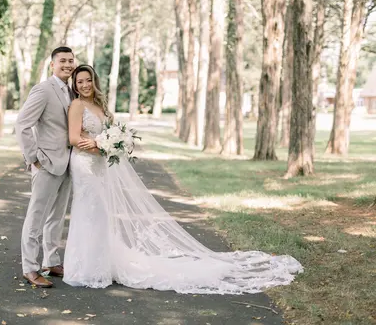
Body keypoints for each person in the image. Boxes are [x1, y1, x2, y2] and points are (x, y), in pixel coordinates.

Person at [62, 64, 303, 294]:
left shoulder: (100, 106)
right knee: (89, 210)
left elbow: (105, 136)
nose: (84, 85)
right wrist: (101, 145)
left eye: (88, 80)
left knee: (101, 213)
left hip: (100, 163)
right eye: (79, 82)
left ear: (95, 81)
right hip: (84, 165)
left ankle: (100, 264)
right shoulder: (77, 105)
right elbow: (74, 139)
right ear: (75, 85)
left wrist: (107, 145)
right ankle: (85, 268)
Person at [15, 46, 76, 288]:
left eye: (71, 60)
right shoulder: (43, 90)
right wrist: (33, 158)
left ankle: (51, 261)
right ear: (53, 65)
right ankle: (29, 267)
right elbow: (22, 124)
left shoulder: (72, 91)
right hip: (47, 164)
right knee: (36, 217)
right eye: (63, 61)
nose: (68, 65)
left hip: (68, 164)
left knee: (57, 217)